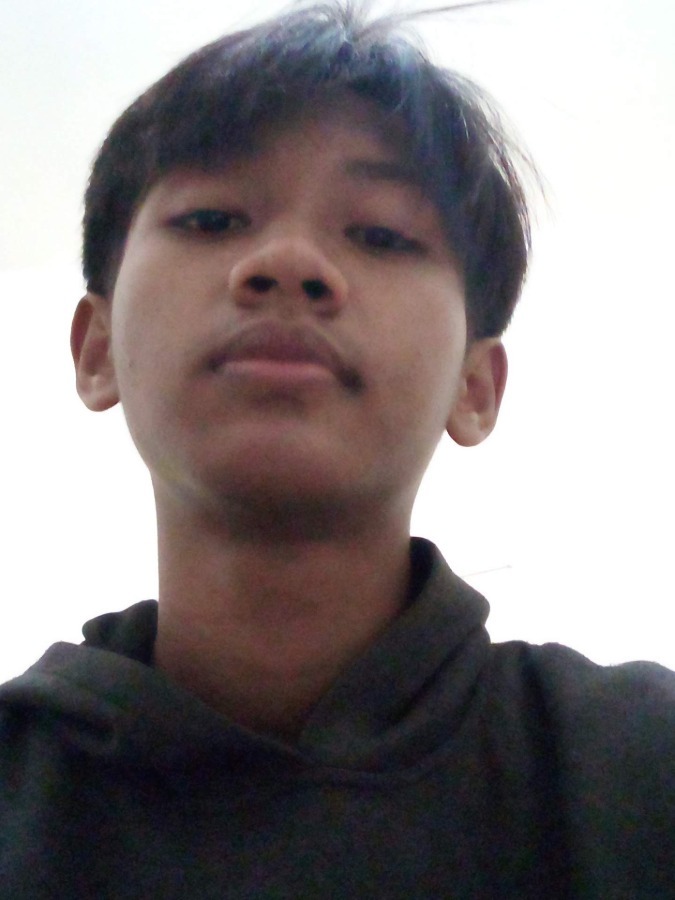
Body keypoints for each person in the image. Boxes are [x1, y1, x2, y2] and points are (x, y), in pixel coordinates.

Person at [1, 4, 673, 897]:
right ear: (95, 350)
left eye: (382, 234)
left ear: (475, 387)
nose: (287, 261)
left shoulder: (638, 765)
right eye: (212, 218)